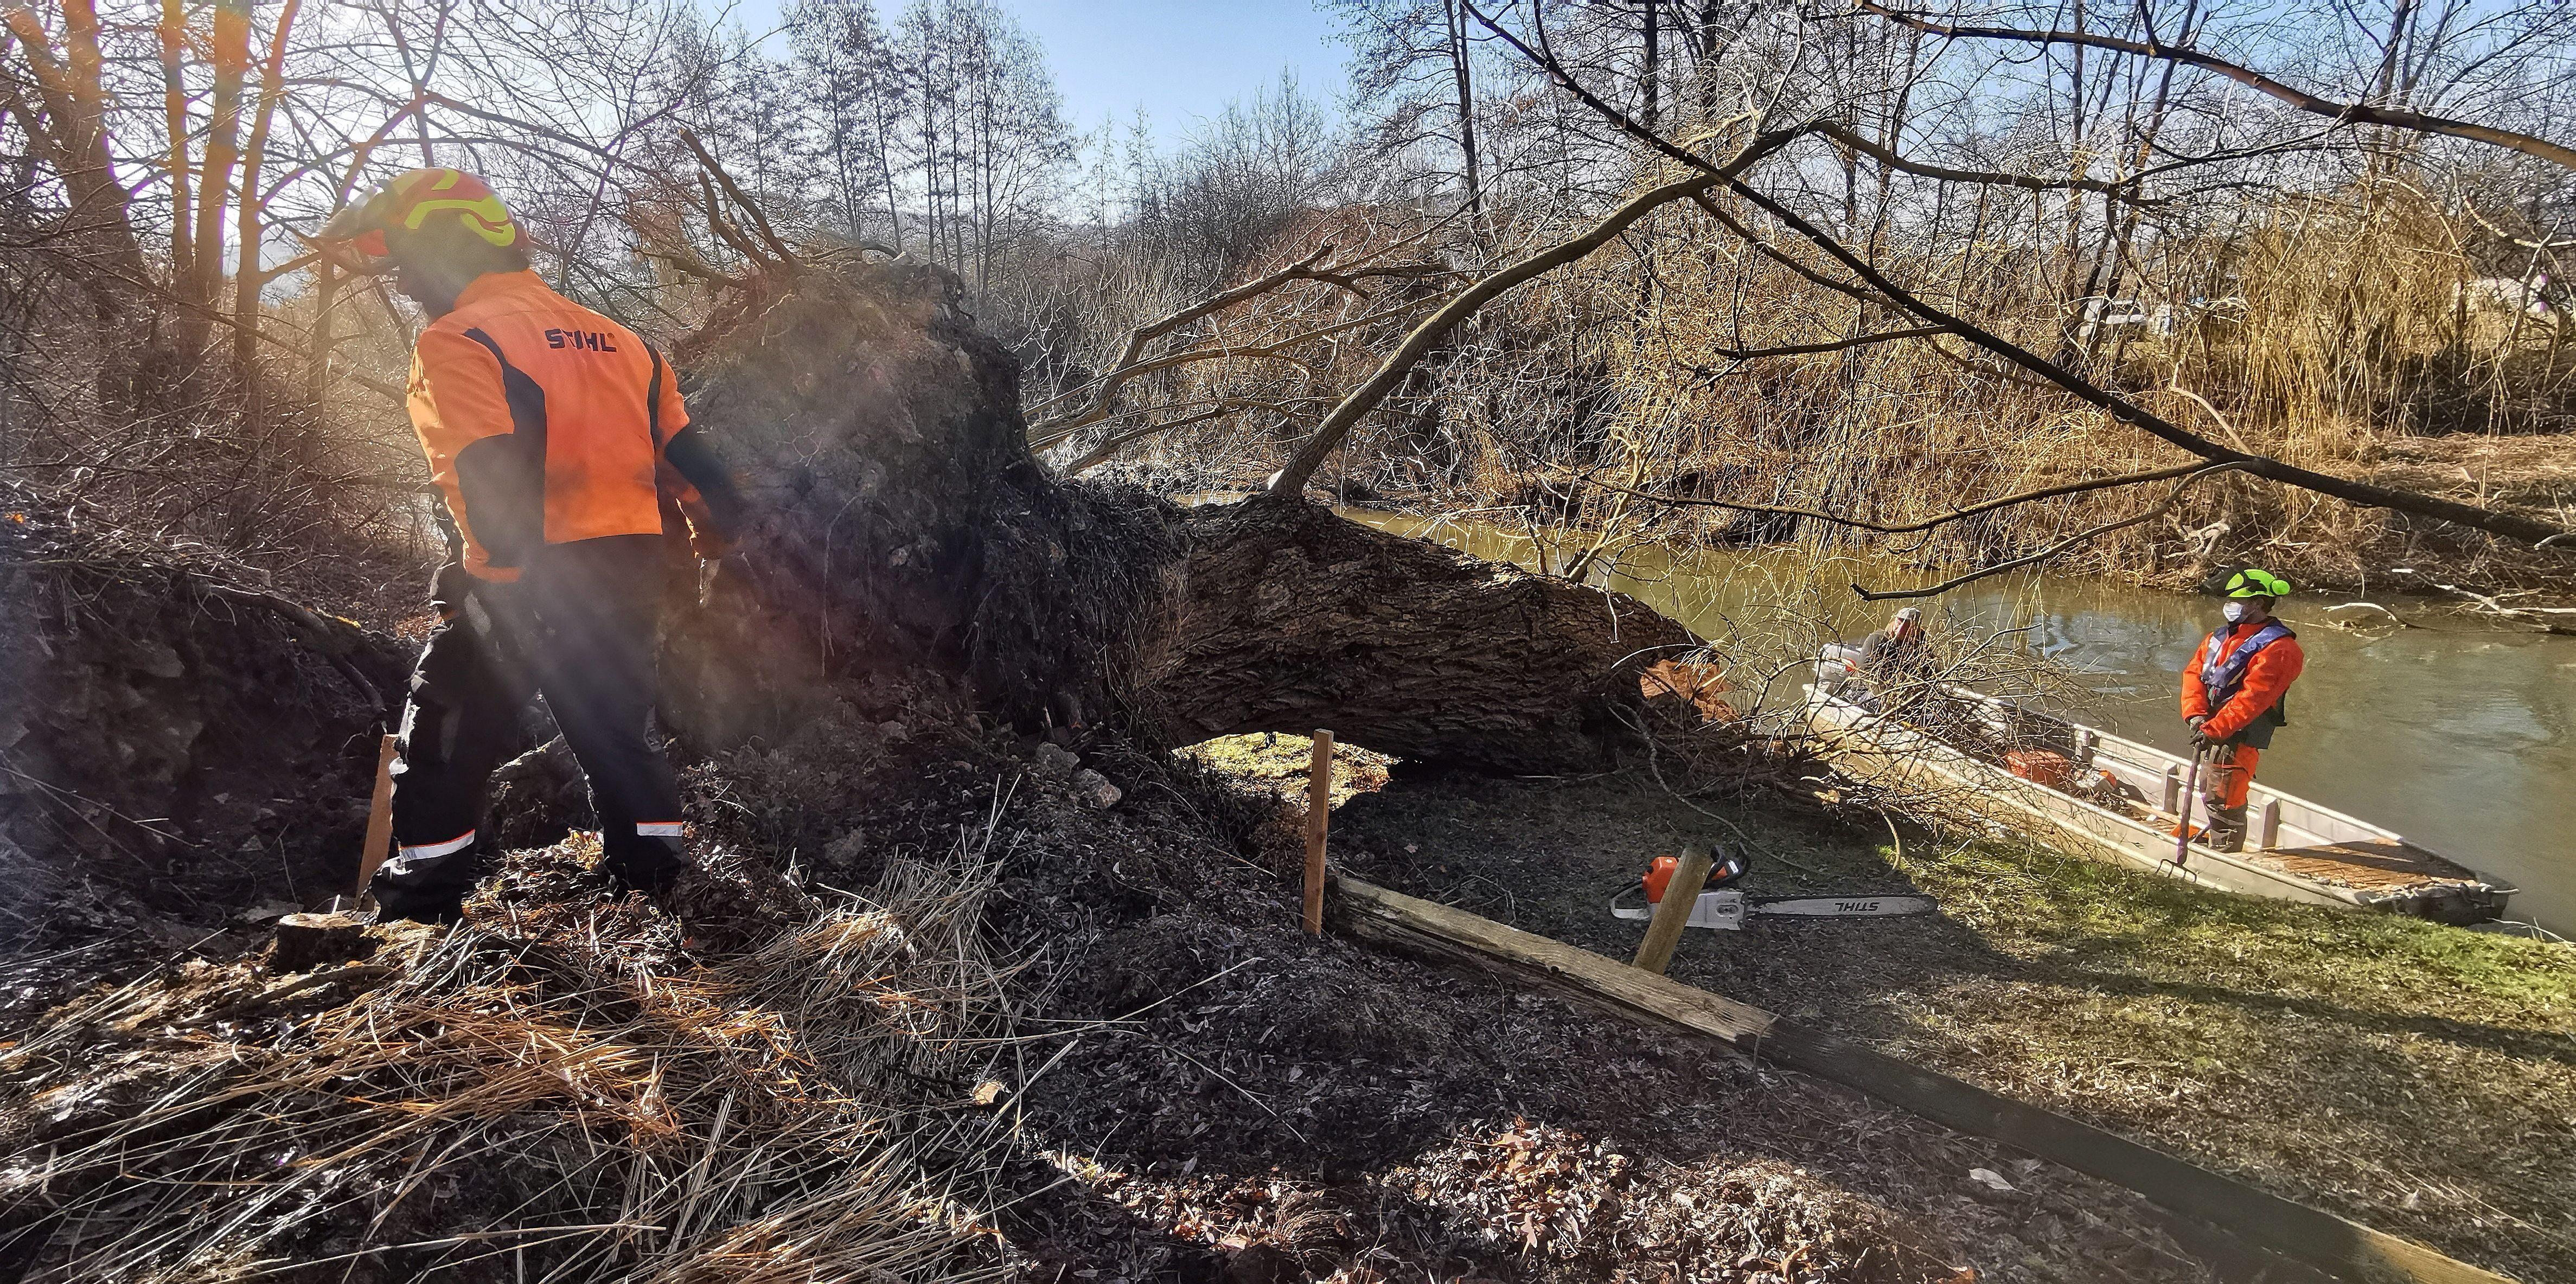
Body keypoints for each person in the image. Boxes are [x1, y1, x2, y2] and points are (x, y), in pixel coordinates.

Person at [315, 168, 744, 923]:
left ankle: (421, 909)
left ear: (449, 248)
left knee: (448, 730)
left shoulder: (459, 340)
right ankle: (657, 884)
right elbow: (702, 478)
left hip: (528, 572)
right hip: (633, 569)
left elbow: (487, 482)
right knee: (617, 730)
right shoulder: (626, 343)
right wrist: (712, 545)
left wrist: (494, 584)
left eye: (411, 265)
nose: (410, 286)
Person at [2179, 568, 2304, 852]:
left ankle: (2225, 856)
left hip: (2238, 736)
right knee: (2211, 789)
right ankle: (2216, 847)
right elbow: (2194, 675)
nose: (2230, 607)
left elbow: (2254, 699)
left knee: (2225, 797)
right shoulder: (2220, 637)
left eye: (2237, 600)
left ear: (2258, 603)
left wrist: (2213, 729)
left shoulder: (2280, 649)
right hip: (2209, 728)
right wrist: (2196, 715)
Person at [1822, 607, 1931, 712]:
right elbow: (1867, 673)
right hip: (1864, 690)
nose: (1901, 628)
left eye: (1907, 625)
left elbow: (1929, 670)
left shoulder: (1917, 646)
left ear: (1916, 628)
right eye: (1900, 622)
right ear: (1895, 620)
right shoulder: (1877, 640)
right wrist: (1890, 695)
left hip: (1898, 690)